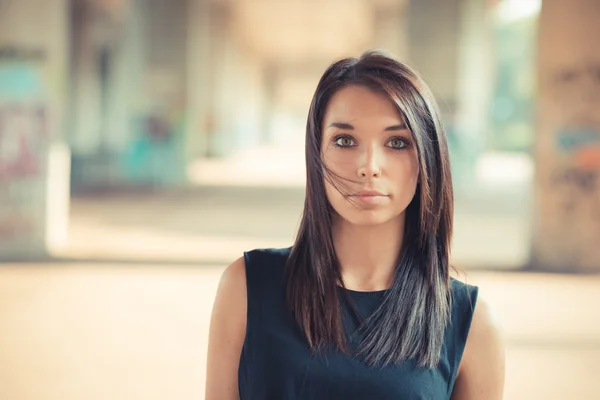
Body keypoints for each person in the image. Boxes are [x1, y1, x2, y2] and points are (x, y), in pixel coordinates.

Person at [205, 50, 505, 399]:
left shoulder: (470, 322)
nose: (369, 166)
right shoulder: (246, 287)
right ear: (316, 153)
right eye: (345, 141)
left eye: (397, 142)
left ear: (428, 158)